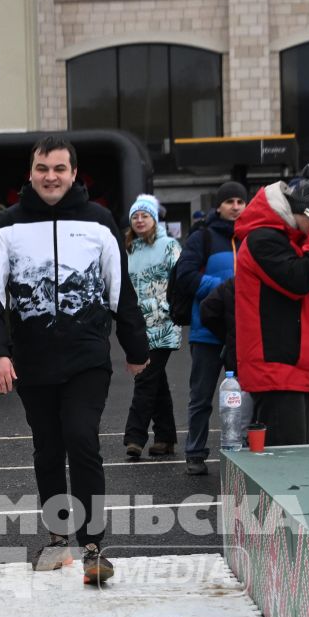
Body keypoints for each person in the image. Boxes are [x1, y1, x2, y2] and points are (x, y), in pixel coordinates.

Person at [0, 134, 149, 584]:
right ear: (30, 174)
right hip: (31, 360)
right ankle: (57, 540)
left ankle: (94, 545)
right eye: (42, 169)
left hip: (86, 357)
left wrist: (136, 347)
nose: (50, 177)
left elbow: (119, 288)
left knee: (81, 438)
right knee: (48, 449)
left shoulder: (99, 222)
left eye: (59, 169)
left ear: (74, 174)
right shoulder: (6, 227)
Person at [230, 165, 309, 446]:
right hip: (277, 369)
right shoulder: (263, 239)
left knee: (296, 466)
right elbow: (301, 280)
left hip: (288, 369)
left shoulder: (281, 238)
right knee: (286, 467)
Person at [170, 180, 245, 475]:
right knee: (201, 396)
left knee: (242, 396)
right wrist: (228, 290)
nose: (236, 207)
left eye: (241, 202)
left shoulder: (253, 236)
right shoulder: (201, 237)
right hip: (207, 331)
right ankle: (195, 452)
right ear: (219, 206)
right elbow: (185, 276)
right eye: (230, 202)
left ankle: (239, 448)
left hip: (242, 331)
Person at [123, 194, 182, 461]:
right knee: (156, 381)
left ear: (154, 220)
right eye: (135, 216)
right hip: (138, 323)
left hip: (164, 322)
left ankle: (134, 437)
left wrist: (171, 307)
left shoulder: (169, 245)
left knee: (145, 377)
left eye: (144, 215)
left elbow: (181, 279)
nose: (139, 220)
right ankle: (165, 437)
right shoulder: (130, 249)